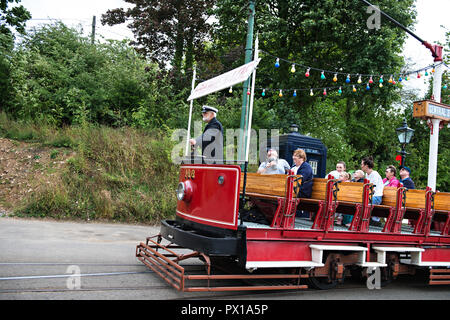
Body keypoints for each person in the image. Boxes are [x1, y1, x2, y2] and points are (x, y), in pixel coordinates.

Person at [361, 156, 384, 227]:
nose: (361, 166)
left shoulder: (374, 174)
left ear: (366, 166)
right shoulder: (366, 174)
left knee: (364, 201)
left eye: (362, 164)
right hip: (370, 196)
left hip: (376, 197)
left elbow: (373, 188)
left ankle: (364, 221)